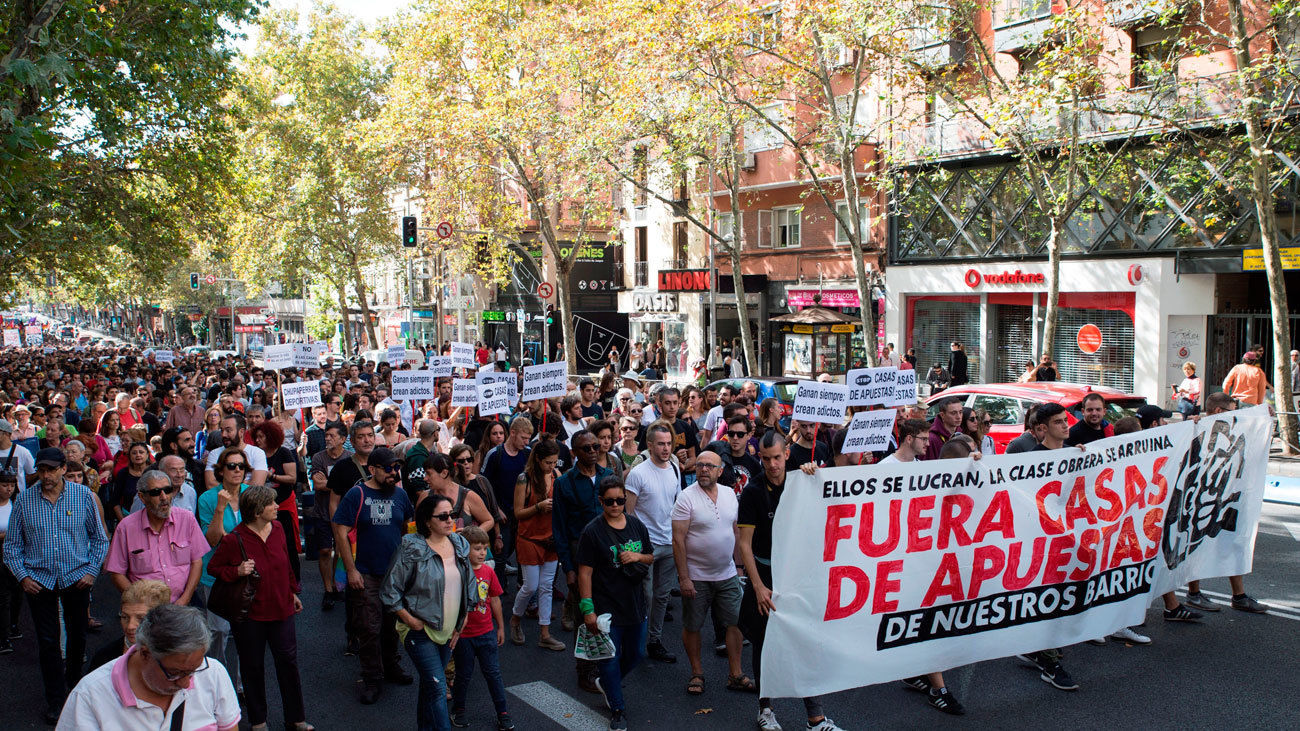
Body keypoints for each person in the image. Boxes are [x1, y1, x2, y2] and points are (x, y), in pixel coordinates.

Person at [737, 433, 842, 731]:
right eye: (766, 458)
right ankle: (765, 708)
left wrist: (816, 476)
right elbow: (744, 544)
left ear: (786, 454)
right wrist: (757, 586)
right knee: (763, 645)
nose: (772, 464)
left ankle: (815, 717)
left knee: (804, 642)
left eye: (777, 457)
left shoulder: (802, 480)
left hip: (797, 575)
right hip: (765, 574)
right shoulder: (753, 491)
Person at [4, 447, 110, 724]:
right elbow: (12, 547)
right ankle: (55, 699)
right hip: (39, 582)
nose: (46, 475)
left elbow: (100, 539)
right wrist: (23, 577)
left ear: (64, 469)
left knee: (78, 638)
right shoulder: (24, 500)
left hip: (77, 578)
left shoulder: (83, 495)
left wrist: (91, 572)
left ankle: (75, 691)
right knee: (48, 642)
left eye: (52, 469)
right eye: (42, 470)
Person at [206, 485, 312, 731]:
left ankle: (296, 719)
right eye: (271, 503)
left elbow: (286, 563)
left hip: (282, 609)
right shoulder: (234, 539)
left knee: (288, 664)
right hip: (250, 616)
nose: (277, 506)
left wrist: (292, 591)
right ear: (256, 512)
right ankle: (258, 722)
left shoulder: (278, 528)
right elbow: (213, 568)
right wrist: (236, 571)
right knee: (252, 667)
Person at [57, 604, 241, 731]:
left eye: (193, 671)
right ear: (145, 653)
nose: (186, 683)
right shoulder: (88, 697)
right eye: (175, 673)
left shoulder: (212, 672)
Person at [381, 492, 476, 731]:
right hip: (419, 631)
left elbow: (469, 584)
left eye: (452, 514)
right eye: (442, 516)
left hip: (448, 630)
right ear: (427, 521)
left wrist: (462, 621)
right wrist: (409, 619)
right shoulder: (411, 547)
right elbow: (389, 590)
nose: (449, 520)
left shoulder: (459, 543)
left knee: (429, 686)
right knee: (437, 687)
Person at [332, 446, 416, 704]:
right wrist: (351, 570)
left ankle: (391, 666)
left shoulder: (401, 495)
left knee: (392, 626)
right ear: (372, 469)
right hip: (365, 573)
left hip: (395, 574)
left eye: (397, 467)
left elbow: (409, 528)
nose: (394, 473)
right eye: (389, 468)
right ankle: (371, 677)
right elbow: (340, 532)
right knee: (369, 627)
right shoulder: (357, 494)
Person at [671, 449, 752, 696]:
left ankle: (735, 674)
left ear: (720, 471)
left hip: (727, 574)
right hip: (696, 577)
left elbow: (736, 531)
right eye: (700, 465)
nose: (704, 469)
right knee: (693, 625)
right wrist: (684, 578)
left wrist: (739, 567)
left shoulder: (729, 494)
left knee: (736, 623)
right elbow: (678, 540)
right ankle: (697, 673)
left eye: (709, 466)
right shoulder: (686, 497)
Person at [1180, 392, 1269, 614]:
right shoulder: (1196, 428)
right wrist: (1191, 424)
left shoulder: (1233, 429)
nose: (1236, 414)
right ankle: (1194, 593)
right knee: (1196, 545)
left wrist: (1265, 416)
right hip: (1202, 498)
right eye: (1232, 410)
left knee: (1234, 541)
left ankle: (1239, 595)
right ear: (1219, 411)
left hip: (1227, 497)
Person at [576, 477, 653, 731]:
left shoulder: (636, 525)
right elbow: (585, 572)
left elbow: (650, 557)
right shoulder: (592, 532)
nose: (616, 506)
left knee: (636, 654)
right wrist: (587, 609)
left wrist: (636, 556)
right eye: (610, 502)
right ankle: (617, 709)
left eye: (620, 500)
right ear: (601, 501)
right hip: (606, 607)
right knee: (609, 658)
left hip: (635, 603)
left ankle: (608, 683)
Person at [552, 429, 613, 693]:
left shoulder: (608, 476)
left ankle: (607, 663)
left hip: (608, 552)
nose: (593, 452)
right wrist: (568, 568)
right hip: (580, 553)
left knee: (608, 609)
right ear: (575, 452)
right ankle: (585, 670)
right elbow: (559, 529)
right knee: (584, 615)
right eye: (586, 448)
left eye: (596, 446)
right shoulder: (564, 483)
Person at [624, 423, 681, 664]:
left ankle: (654, 641)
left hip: (669, 543)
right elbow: (628, 514)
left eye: (669, 443)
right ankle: (635, 641)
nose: (666, 448)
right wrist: (634, 546)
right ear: (649, 445)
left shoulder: (675, 468)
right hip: (645, 546)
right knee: (644, 596)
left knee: (662, 596)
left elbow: (677, 505)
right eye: (661, 444)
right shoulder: (638, 473)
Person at [105, 469, 206, 604]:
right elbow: (117, 573)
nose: (164, 497)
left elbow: (197, 562)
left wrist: (185, 599)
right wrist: (140, 603)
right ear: (142, 497)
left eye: (168, 490)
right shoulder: (126, 527)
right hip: (144, 606)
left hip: (184, 602)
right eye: (155, 492)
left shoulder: (187, 519)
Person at [449, 525, 515, 730]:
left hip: (486, 632)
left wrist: (501, 627)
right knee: (463, 674)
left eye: (485, 548)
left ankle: (503, 712)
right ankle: (458, 710)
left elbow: (495, 599)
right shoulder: (457, 572)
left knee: (493, 674)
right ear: (464, 549)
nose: (482, 553)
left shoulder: (488, 571)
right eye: (477, 548)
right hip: (464, 636)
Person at [510, 439, 566, 650]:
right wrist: (538, 507)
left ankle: (545, 633)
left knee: (546, 587)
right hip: (529, 539)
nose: (552, 466)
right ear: (538, 460)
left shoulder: (556, 475)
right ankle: (515, 619)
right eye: (548, 462)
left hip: (550, 540)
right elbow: (517, 513)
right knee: (530, 586)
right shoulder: (524, 479)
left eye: (554, 462)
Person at [84, 579, 171, 673]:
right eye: (125, 617)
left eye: (141, 619)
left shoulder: (176, 655)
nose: (130, 626)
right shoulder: (104, 659)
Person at [307, 422, 349, 611]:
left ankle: (337, 584)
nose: (328, 439)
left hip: (344, 513)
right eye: (326, 435)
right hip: (322, 512)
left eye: (332, 436)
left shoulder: (349, 458)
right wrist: (340, 483)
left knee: (340, 550)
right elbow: (317, 484)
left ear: (343, 439)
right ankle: (328, 589)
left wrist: (329, 482)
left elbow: (349, 485)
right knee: (325, 550)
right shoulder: (318, 457)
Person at [204, 413, 269, 489]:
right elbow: (210, 484)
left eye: (228, 430)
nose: (223, 435)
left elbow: (257, 485)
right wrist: (245, 483)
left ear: (241, 432)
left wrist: (226, 484)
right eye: (222, 430)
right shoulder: (214, 453)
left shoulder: (257, 453)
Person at [0, 471, 22, 654]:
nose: (9, 489)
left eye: (12, 485)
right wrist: (7, 535)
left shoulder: (17, 503)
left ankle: (13, 625)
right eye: (4, 485)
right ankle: (4, 637)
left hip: (16, 556)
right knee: (3, 597)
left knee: (17, 593)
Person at [0, 418, 37, 493]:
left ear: (7, 433)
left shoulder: (22, 452)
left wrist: (21, 483)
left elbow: (33, 473)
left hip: (17, 496)